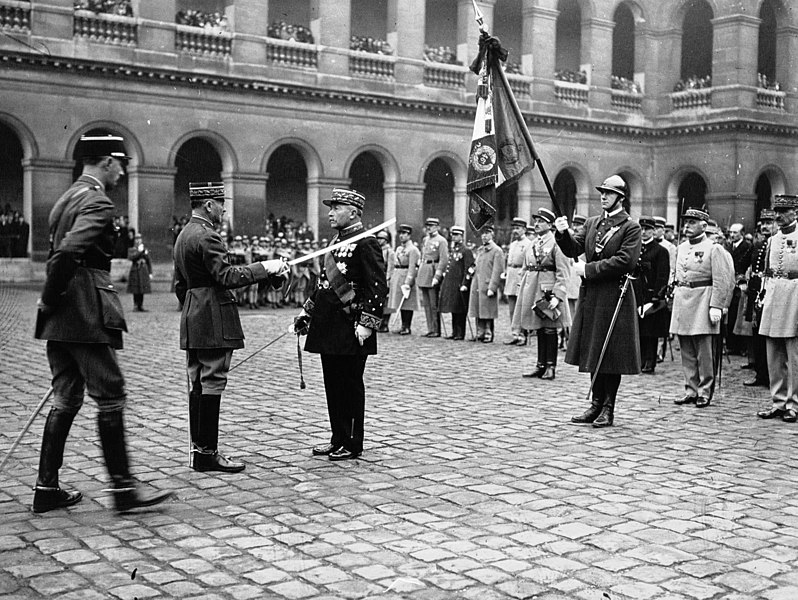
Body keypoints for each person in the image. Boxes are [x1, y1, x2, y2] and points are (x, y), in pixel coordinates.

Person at [32, 134, 173, 513]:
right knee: (110, 391)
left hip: (62, 315)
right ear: (107, 161)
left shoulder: (67, 197)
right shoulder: (97, 199)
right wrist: (49, 295)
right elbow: (67, 253)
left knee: (66, 396)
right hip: (84, 309)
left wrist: (50, 303)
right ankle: (124, 489)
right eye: (121, 163)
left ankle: (46, 488)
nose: (123, 170)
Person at [173, 182, 289, 473]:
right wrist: (266, 267)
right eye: (221, 204)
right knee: (213, 380)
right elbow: (225, 276)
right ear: (209, 205)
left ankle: (199, 452)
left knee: (198, 380)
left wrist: (193, 306)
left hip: (192, 314)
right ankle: (208, 454)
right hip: (213, 315)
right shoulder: (208, 235)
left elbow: (179, 286)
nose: (224, 209)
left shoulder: (184, 234)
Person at [294, 188, 387, 461]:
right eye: (330, 208)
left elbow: (377, 286)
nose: (330, 213)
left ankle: (353, 442)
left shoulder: (366, 242)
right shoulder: (335, 241)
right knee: (332, 384)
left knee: (350, 384)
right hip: (329, 325)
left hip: (352, 325)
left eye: (336, 208)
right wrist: (306, 312)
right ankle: (338, 438)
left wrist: (368, 323)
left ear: (353, 212)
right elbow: (323, 284)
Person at [554, 175, 642, 428]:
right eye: (602, 192)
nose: (603, 196)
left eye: (609, 193)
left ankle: (608, 407)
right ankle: (595, 404)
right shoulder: (592, 223)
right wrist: (562, 234)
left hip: (615, 295)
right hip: (592, 296)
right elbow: (573, 248)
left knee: (610, 352)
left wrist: (589, 270)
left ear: (621, 198)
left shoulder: (630, 227)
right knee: (594, 348)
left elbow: (626, 260)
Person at [670, 208, 735, 409]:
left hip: (703, 300)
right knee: (687, 348)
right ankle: (691, 389)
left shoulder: (714, 248)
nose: (687, 226)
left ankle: (705, 391)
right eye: (686, 222)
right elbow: (676, 272)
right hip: (683, 299)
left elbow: (722, 279)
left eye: (692, 222)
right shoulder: (681, 247)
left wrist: (717, 305)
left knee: (704, 350)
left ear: (703, 226)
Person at [513, 208, 571, 379]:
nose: (536, 224)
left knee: (550, 328)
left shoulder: (557, 243)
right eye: (536, 221)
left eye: (541, 221)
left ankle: (551, 366)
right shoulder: (532, 243)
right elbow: (526, 268)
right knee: (539, 327)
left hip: (548, 291)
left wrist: (558, 295)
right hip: (533, 289)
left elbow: (563, 272)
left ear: (550, 225)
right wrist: (521, 288)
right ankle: (540, 365)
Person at [757, 195, 798, 422]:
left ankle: (795, 404)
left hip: (794, 296)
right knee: (774, 353)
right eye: (777, 211)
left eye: (784, 211)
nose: (779, 215)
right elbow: (766, 271)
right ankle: (778, 401)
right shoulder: (772, 240)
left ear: (795, 212)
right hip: (773, 297)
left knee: (794, 355)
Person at [742, 209, 776, 388]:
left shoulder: (778, 245)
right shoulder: (756, 245)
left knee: (770, 336)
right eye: (763, 223)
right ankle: (760, 374)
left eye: (769, 223)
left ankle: (773, 376)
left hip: (771, 293)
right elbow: (742, 263)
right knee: (757, 336)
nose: (765, 226)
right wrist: (742, 279)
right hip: (756, 293)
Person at [634, 217, 671, 374]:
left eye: (647, 229)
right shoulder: (634, 249)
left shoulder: (660, 251)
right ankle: (640, 360)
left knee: (651, 331)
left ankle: (650, 361)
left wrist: (658, 295)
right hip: (637, 295)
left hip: (651, 297)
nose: (643, 232)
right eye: (641, 229)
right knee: (640, 330)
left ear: (653, 231)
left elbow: (662, 276)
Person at [468, 224, 505, 343]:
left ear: (492, 234)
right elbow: (476, 265)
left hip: (487, 284)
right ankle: (480, 332)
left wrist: (493, 286)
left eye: (487, 233)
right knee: (478, 308)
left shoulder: (496, 250)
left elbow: (497, 270)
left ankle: (488, 332)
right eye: (482, 234)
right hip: (477, 283)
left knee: (488, 310)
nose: (484, 236)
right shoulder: (480, 250)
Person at [439, 225, 474, 340]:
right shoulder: (454, 249)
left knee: (460, 309)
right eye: (453, 235)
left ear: (462, 236)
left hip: (460, 284)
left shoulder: (466, 251)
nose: (454, 237)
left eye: (457, 235)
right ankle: (455, 332)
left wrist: (465, 284)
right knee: (454, 308)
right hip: (452, 284)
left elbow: (468, 269)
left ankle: (460, 333)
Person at [385, 224, 420, 335]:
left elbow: (412, 266)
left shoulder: (413, 249)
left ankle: (407, 326)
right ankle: (402, 325)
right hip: (397, 275)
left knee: (407, 303)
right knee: (399, 301)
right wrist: (390, 278)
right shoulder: (399, 248)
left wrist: (408, 282)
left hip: (405, 276)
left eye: (404, 234)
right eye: (400, 233)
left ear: (409, 235)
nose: (401, 236)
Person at [417, 217, 448, 337]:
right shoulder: (425, 239)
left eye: (432, 225)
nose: (429, 228)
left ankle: (436, 329)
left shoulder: (441, 241)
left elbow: (444, 259)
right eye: (428, 225)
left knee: (433, 303)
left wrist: (438, 275)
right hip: (425, 270)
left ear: (438, 227)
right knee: (426, 303)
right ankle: (430, 328)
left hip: (433, 270)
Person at [503, 217, 532, 345]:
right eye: (514, 228)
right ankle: (514, 333)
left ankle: (522, 334)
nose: (515, 231)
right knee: (511, 308)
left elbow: (528, 263)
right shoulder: (513, 244)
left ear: (524, 230)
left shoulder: (528, 244)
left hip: (521, 275)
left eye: (518, 228)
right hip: (511, 275)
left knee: (521, 307)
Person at [726, 222, 753, 355]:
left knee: (739, 315)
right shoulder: (728, 246)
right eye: (730, 232)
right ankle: (731, 345)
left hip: (740, 285)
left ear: (742, 234)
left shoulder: (747, 247)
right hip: (730, 283)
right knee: (730, 315)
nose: (732, 235)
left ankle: (741, 347)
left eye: (735, 233)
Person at [126, 233, 152, 312]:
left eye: (139, 239)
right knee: (135, 289)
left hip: (143, 270)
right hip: (135, 270)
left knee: (142, 289)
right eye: (136, 239)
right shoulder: (132, 249)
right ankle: (136, 305)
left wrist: (150, 272)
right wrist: (140, 252)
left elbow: (148, 261)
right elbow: (132, 257)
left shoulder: (144, 249)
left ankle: (141, 305)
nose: (138, 241)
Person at [376, 229, 395, 332]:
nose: (379, 240)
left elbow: (390, 268)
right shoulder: (377, 250)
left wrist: (387, 280)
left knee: (386, 303)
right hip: (377, 279)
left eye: (381, 238)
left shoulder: (389, 252)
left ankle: (385, 324)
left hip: (385, 279)